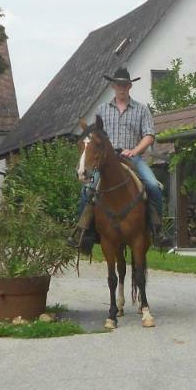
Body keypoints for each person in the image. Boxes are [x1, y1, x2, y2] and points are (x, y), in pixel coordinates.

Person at [68, 67, 168, 252]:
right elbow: (94, 135)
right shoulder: (102, 110)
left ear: (129, 86)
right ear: (113, 86)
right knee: (87, 190)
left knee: (154, 186)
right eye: (118, 84)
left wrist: (134, 150)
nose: (121, 87)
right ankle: (83, 233)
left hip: (133, 158)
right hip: (106, 160)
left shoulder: (141, 109)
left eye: (124, 84)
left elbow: (149, 135)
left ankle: (157, 229)